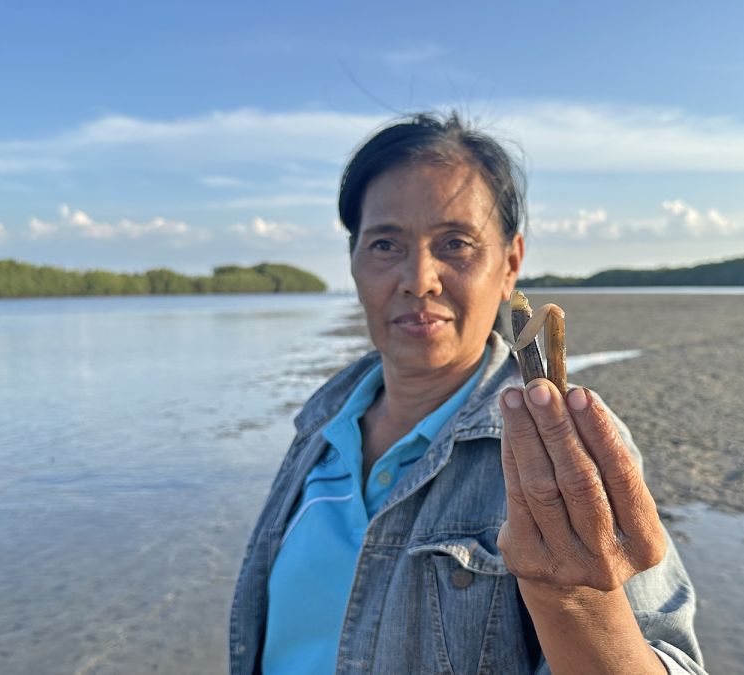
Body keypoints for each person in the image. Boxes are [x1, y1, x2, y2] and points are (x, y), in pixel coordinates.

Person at [229, 112, 707, 674]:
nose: (419, 279)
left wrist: (577, 602)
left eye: (455, 243)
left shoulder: (561, 454)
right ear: (354, 262)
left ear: (510, 265)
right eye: (385, 244)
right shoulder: (322, 423)